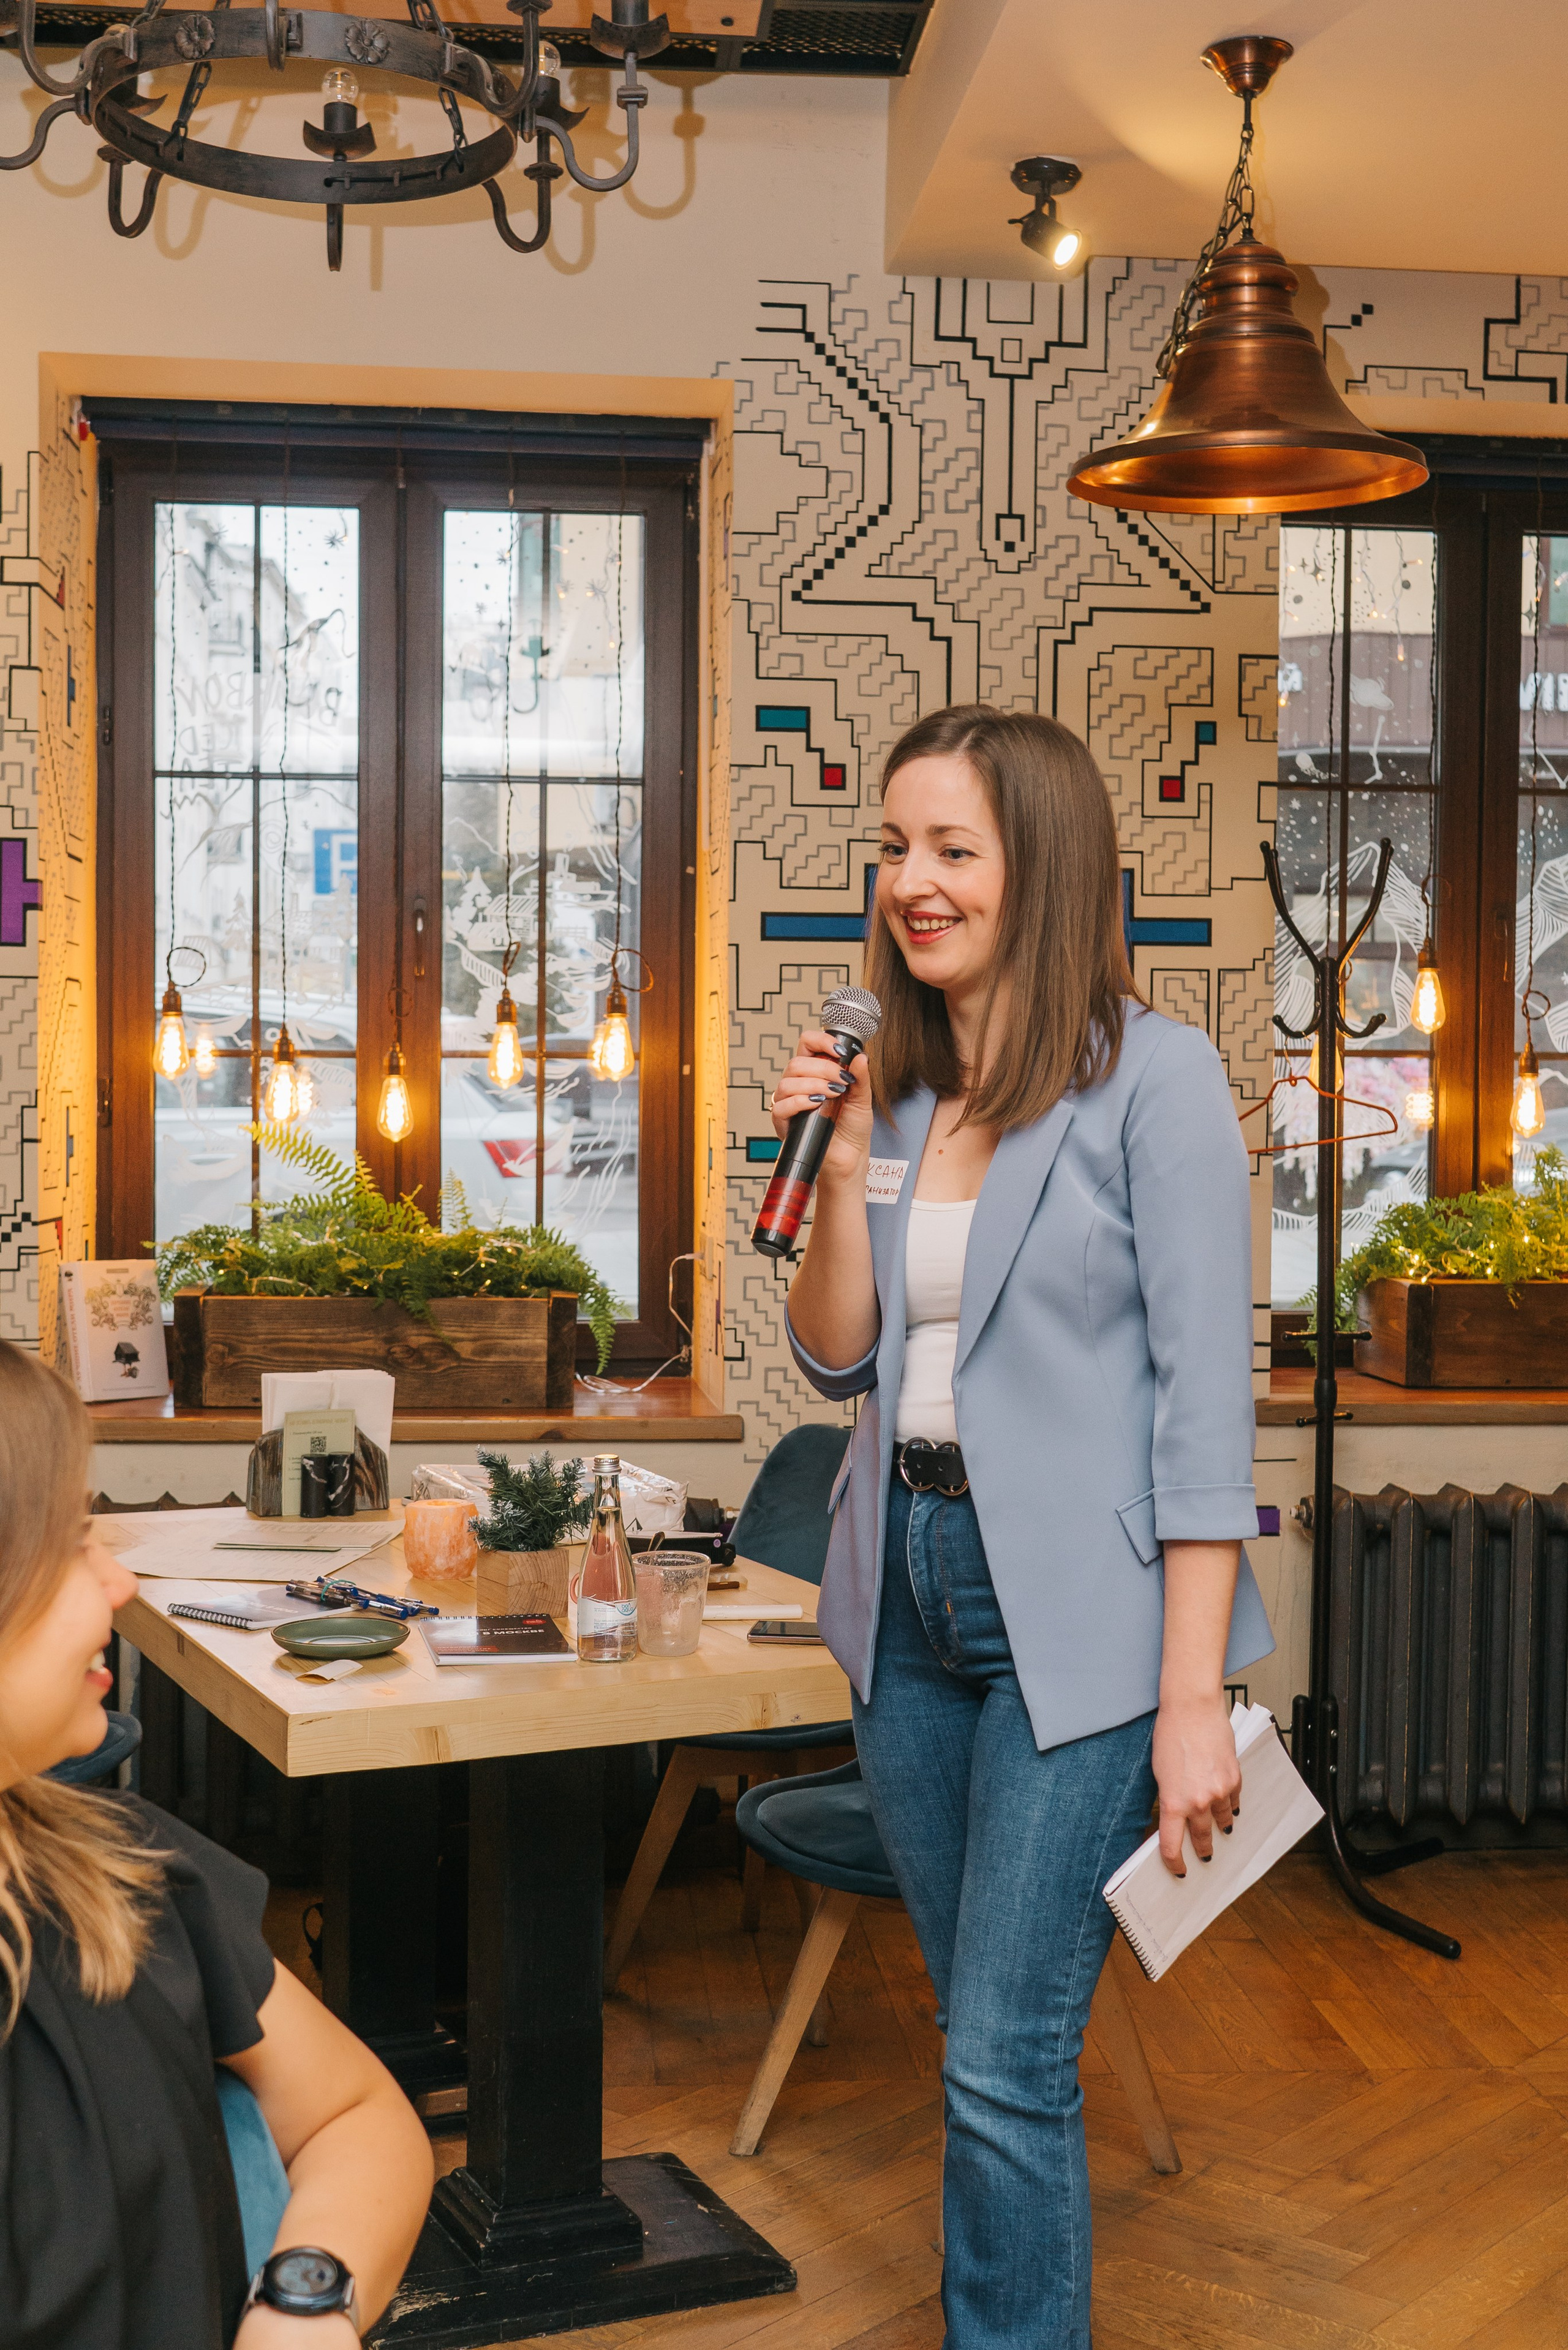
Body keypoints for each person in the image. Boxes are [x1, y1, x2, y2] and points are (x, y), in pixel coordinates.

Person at [773, 705, 1273, 2349]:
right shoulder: (899, 1090)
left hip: (1076, 1616)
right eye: (897, 848)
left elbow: (1205, 1406)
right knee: (980, 2029)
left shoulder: (1157, 1078)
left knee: (1003, 2044)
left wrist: (1194, 1697)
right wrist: (842, 1159)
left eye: (952, 849)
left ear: (1040, 863)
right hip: (901, 1599)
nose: (912, 882)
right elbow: (837, 1350)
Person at [0, 1340, 434, 2348]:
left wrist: (303, 2306)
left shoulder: (127, 1871)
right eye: (70, 1543)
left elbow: (356, 2113)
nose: (118, 1583)